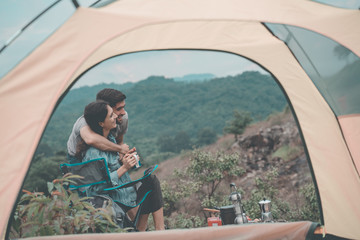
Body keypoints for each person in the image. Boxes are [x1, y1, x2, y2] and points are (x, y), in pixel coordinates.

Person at [78, 100, 165, 231]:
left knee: (151, 181)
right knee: (150, 183)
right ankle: (141, 232)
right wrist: (124, 168)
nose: (115, 117)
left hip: (125, 193)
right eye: (111, 115)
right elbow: (94, 190)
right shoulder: (93, 153)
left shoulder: (110, 140)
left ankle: (159, 231)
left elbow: (110, 169)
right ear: (101, 123)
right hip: (114, 200)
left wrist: (125, 160)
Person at [67, 88, 130, 164]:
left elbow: (119, 141)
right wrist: (120, 149)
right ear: (105, 108)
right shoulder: (85, 122)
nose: (123, 112)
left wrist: (122, 155)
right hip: (79, 157)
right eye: (119, 109)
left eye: (123, 107)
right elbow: (91, 139)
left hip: (107, 152)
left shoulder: (122, 117)